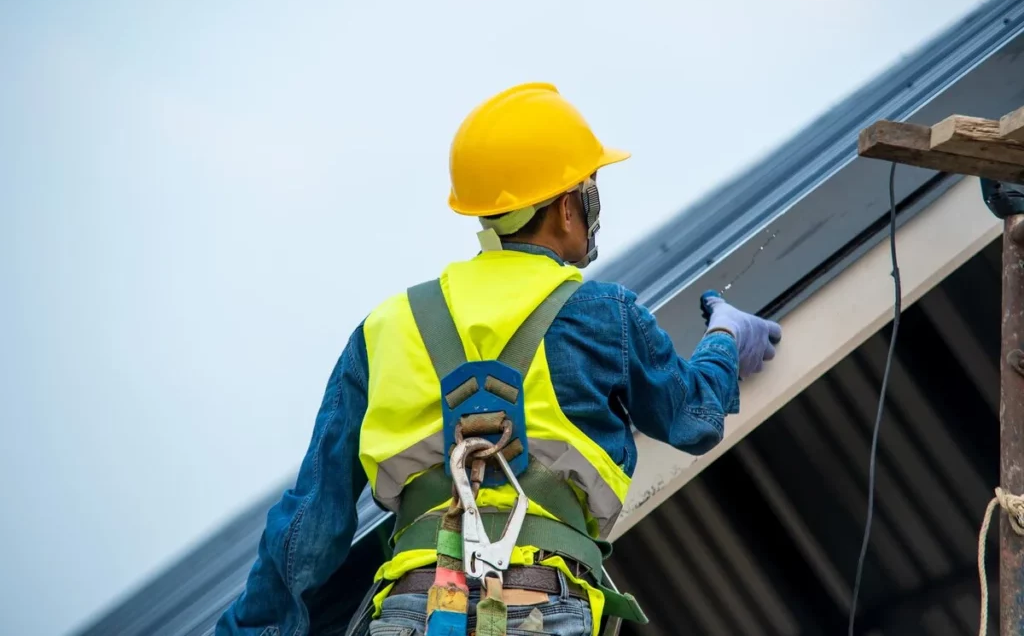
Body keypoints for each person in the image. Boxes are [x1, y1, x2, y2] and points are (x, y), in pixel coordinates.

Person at [216, 82, 781, 636]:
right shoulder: (604, 313)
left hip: (416, 609)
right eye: (590, 192)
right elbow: (693, 417)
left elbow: (309, 523)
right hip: (540, 603)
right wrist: (725, 338)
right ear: (567, 208)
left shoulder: (385, 328)